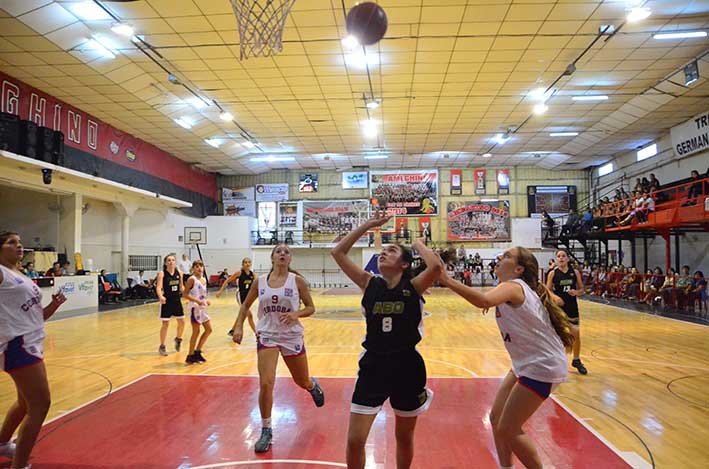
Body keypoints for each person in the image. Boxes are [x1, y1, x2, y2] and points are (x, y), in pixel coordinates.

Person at [439, 246, 573, 469]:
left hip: (542, 365)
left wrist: (446, 280)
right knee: (495, 419)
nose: (500, 257)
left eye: (507, 256)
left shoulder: (513, 286)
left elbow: (482, 301)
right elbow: (556, 302)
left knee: (508, 428)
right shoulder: (516, 288)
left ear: (519, 269)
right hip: (525, 363)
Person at [331, 211, 441, 469]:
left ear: (404, 264)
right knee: (356, 440)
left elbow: (435, 267)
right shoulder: (369, 283)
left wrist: (416, 243)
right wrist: (368, 225)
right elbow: (338, 253)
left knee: (403, 436)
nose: (384, 253)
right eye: (384, 251)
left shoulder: (414, 287)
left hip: (407, 367)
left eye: (391, 251)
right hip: (373, 366)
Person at [232, 244, 324, 453]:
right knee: (266, 383)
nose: (283, 254)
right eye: (278, 251)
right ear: (272, 257)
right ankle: (266, 430)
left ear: (290, 259)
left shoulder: (297, 281)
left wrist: (295, 314)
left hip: (291, 335)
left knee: (301, 380)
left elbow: (311, 308)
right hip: (267, 335)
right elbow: (245, 306)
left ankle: (312, 386)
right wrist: (238, 326)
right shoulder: (260, 282)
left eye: (286, 252)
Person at [0, 231, 67, 469]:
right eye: (11, 243)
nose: (18, 246)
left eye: (19, 243)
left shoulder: (21, 274)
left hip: (31, 341)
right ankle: (19, 466)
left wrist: (54, 305)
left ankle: (2, 443)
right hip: (17, 345)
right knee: (41, 404)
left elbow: (37, 316)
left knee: (25, 402)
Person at [546, 250, 588, 375]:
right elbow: (547, 291)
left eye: (563, 256)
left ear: (568, 259)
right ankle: (554, 360)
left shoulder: (574, 273)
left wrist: (577, 292)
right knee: (556, 335)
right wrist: (555, 297)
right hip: (558, 309)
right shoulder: (553, 273)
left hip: (572, 307)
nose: (561, 258)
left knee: (576, 333)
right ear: (556, 259)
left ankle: (576, 359)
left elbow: (582, 289)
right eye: (558, 256)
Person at [217, 258, 257, 336]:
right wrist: (220, 291)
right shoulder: (239, 273)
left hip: (248, 297)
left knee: (242, 314)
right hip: (240, 295)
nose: (247, 264)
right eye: (245, 262)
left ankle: (232, 330)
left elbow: (256, 286)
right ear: (242, 264)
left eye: (249, 262)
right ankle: (257, 334)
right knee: (249, 314)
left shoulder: (253, 274)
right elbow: (227, 281)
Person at [156, 254, 185, 356]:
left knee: (182, 322)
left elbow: (181, 287)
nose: (171, 262)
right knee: (165, 324)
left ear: (175, 262)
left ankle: (178, 339)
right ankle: (162, 346)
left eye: (173, 260)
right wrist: (161, 297)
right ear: (165, 263)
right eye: (169, 260)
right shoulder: (162, 274)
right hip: (167, 301)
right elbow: (159, 287)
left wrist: (188, 295)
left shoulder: (179, 273)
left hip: (177, 300)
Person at [183, 260, 212, 364]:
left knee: (209, 329)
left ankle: (197, 351)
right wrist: (197, 301)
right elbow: (185, 294)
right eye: (197, 266)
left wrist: (206, 300)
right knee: (196, 332)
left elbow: (202, 294)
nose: (199, 268)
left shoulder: (204, 279)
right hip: (195, 308)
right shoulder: (192, 279)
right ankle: (190, 355)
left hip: (203, 308)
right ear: (193, 268)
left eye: (201, 266)